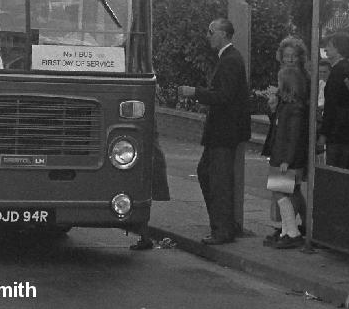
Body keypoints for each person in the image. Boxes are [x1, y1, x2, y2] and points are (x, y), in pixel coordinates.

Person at [179, 18, 251, 245]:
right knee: (206, 173)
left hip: (224, 132)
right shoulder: (228, 58)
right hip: (220, 133)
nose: (208, 36)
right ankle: (221, 226)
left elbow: (224, 96)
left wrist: (195, 92)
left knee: (218, 181)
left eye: (211, 32)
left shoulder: (230, 60)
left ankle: (222, 230)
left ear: (223, 34)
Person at [264, 43, 310, 249]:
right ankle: (286, 230)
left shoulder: (293, 109)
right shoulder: (288, 106)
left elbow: (292, 136)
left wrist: (286, 160)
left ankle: (291, 232)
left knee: (280, 192)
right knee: (282, 191)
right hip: (282, 154)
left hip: (285, 157)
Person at [129, 129, 171, 250]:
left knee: (142, 197)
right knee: (142, 198)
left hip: (145, 160)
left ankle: (145, 237)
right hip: (146, 157)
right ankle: (144, 237)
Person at [318, 31, 349, 169]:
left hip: (338, 132)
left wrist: (324, 134)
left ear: (339, 49)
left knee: (336, 173)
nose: (326, 49)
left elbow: (331, 106)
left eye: (330, 46)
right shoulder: (346, 69)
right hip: (346, 130)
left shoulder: (338, 72)